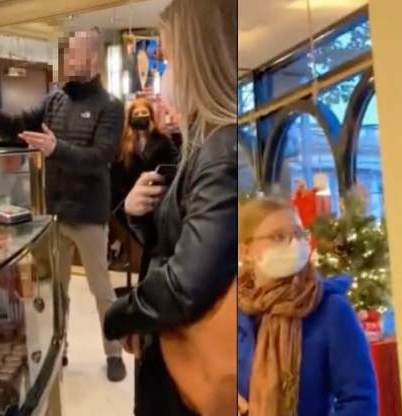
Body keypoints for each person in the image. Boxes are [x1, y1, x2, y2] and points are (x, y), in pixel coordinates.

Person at [101, 0, 237, 415]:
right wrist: (139, 216)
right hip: (174, 358)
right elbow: (182, 242)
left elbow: (186, 282)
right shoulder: (204, 143)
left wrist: (120, 314)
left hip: (189, 370)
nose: (164, 76)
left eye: (169, 60)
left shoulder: (221, 151)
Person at [0, 29, 127, 381]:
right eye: (66, 54)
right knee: (55, 289)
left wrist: (55, 149)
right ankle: (60, 349)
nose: (68, 60)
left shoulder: (111, 106)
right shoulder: (54, 99)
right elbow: (16, 125)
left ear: (92, 58)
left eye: (74, 54)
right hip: (55, 214)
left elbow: (101, 157)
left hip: (89, 216)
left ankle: (114, 352)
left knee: (101, 290)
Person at [237, 198, 378, 416]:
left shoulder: (331, 309)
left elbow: (359, 401)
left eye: (299, 234)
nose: (293, 244)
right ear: (245, 251)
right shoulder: (236, 310)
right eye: (278, 237)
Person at [111, 98, 179, 278]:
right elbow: (116, 177)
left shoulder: (163, 141)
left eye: (144, 113)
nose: (141, 117)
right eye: (137, 114)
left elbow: (175, 164)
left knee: (153, 252)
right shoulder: (123, 145)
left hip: (158, 204)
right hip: (131, 206)